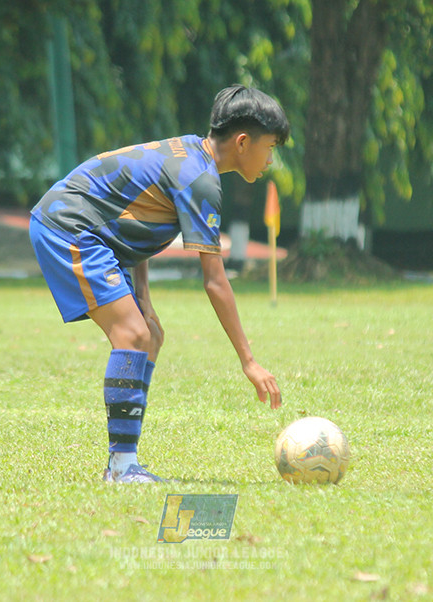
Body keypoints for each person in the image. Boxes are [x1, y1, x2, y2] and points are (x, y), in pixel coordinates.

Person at [29, 85, 288, 483]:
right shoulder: (199, 179)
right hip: (69, 226)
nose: (271, 159)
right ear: (241, 142)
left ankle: (124, 462)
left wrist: (145, 300)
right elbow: (215, 282)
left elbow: (137, 221)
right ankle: (121, 467)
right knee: (132, 335)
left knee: (146, 333)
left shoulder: (189, 154)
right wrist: (248, 361)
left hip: (87, 228)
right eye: (270, 147)